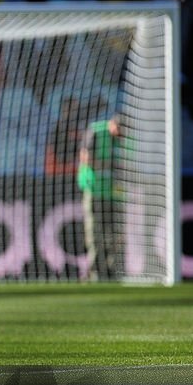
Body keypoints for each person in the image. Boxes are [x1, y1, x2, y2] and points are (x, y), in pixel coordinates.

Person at [77, 117, 123, 280]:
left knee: (114, 234)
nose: (120, 134)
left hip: (113, 193)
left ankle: (113, 272)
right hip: (94, 190)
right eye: (119, 129)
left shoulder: (124, 138)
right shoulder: (96, 131)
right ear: (113, 123)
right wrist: (108, 165)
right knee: (94, 233)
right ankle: (94, 272)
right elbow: (85, 158)